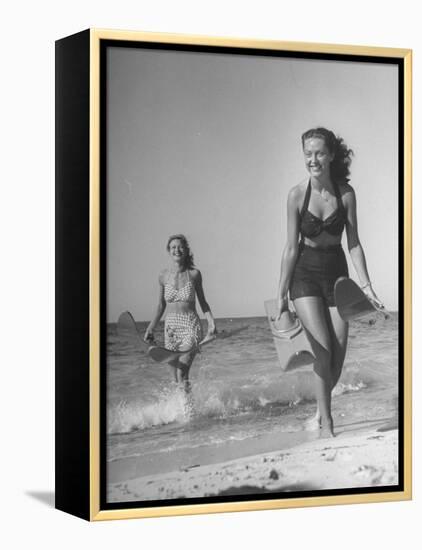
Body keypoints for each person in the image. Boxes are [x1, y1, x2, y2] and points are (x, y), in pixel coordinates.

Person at [277, 127, 383, 438]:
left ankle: (317, 413)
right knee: (322, 353)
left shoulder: (346, 193)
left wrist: (366, 286)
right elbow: (291, 247)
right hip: (304, 275)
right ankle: (327, 423)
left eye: (319, 153)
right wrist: (281, 294)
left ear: (331, 155)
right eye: (308, 154)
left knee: (335, 362)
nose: (313, 159)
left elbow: (354, 243)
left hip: (338, 276)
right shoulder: (296, 195)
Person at [144, 234, 216, 392]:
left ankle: (189, 415)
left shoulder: (194, 274)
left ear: (186, 250)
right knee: (175, 379)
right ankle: (184, 411)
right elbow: (160, 305)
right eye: (173, 247)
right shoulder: (163, 276)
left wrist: (211, 322)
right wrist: (151, 328)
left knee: (182, 372)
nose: (177, 250)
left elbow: (203, 301)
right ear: (169, 251)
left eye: (180, 247)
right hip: (171, 329)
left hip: (190, 326)